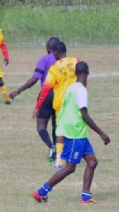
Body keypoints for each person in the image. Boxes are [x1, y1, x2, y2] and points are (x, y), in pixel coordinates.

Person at [32, 61, 110, 204]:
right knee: (69, 168)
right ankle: (41, 191)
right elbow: (84, 114)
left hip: (78, 133)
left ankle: (85, 197)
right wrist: (101, 133)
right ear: (86, 74)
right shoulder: (81, 90)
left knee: (92, 162)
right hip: (75, 134)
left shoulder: (71, 88)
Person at [9, 37, 59, 162]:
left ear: (48, 47)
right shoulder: (66, 61)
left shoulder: (45, 59)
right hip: (61, 95)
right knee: (56, 125)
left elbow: (34, 79)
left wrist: (18, 90)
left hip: (47, 94)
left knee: (41, 125)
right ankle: (58, 149)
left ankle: (51, 146)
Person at [33, 41, 79, 168]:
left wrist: (37, 106)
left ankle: (59, 160)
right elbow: (83, 78)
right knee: (74, 128)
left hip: (61, 102)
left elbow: (46, 89)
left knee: (60, 130)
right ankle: (74, 153)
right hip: (74, 101)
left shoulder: (54, 68)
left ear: (56, 53)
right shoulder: (77, 61)